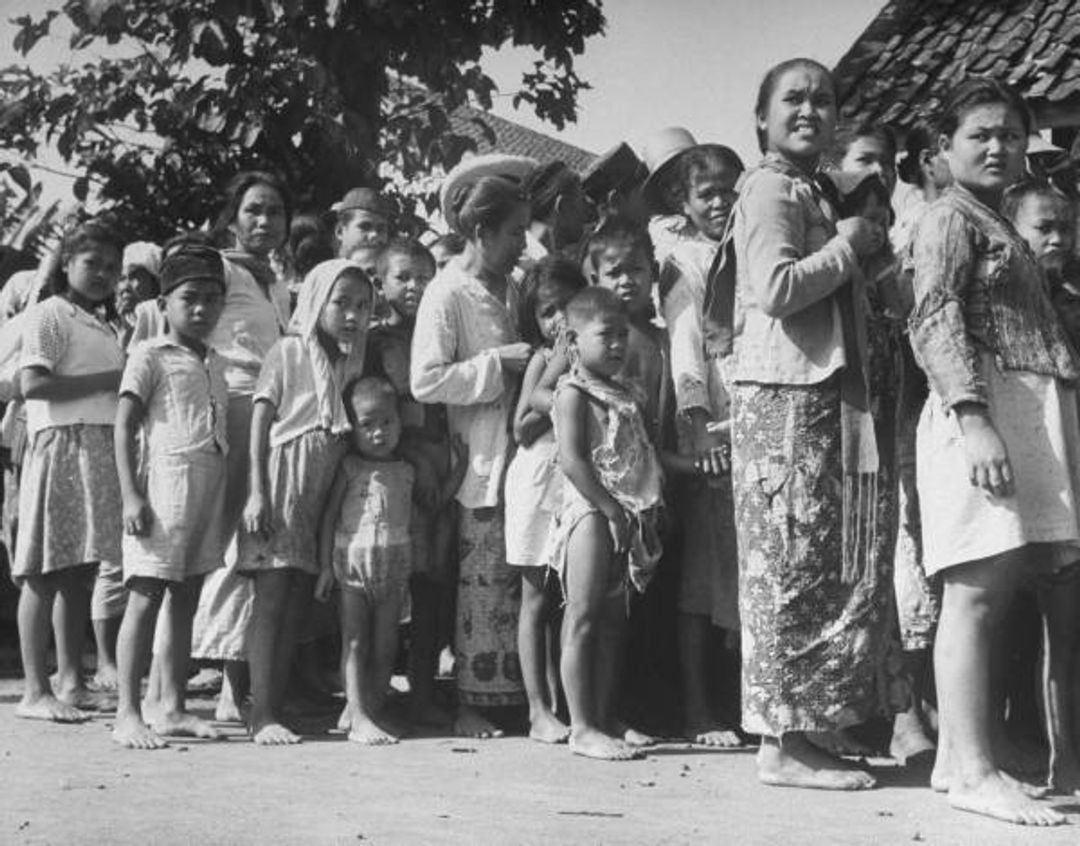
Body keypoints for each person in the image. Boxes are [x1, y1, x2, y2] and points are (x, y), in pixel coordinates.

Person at [909, 78, 1080, 826]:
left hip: (1021, 408)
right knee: (975, 589)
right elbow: (935, 318)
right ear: (942, 151)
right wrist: (974, 418)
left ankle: (956, 759)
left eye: (1009, 134)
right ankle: (975, 768)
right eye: (979, 133)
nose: (997, 145)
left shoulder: (994, 221)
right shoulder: (948, 218)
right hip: (979, 409)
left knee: (995, 583)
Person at [729, 58, 898, 791]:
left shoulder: (814, 189)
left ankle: (801, 734)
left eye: (823, 100)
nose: (810, 109)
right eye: (792, 98)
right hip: (785, 401)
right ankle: (783, 747)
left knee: (809, 568)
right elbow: (776, 289)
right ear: (761, 118)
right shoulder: (769, 187)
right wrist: (850, 244)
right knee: (788, 571)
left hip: (817, 399)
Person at [411, 155, 536, 738]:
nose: (522, 245)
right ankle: (469, 700)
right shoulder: (447, 292)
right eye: (514, 234)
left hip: (518, 454)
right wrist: (496, 364)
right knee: (478, 584)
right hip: (478, 457)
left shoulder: (506, 288)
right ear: (482, 232)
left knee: (510, 581)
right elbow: (426, 380)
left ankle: (509, 696)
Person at [238, 258, 372, 745]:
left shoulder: (346, 363)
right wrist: (257, 490)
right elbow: (261, 420)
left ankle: (274, 706)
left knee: (297, 601)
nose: (352, 315)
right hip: (282, 481)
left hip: (317, 488)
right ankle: (261, 712)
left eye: (362, 306)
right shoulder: (290, 351)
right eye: (341, 303)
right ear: (317, 301)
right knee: (272, 598)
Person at [111, 244, 229, 749]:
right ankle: (127, 713)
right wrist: (131, 495)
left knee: (186, 599)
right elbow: (123, 425)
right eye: (189, 298)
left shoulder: (216, 361)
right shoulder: (150, 355)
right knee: (145, 596)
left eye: (210, 298)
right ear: (164, 304)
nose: (200, 309)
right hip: (162, 491)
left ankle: (173, 706)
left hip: (205, 491)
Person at [13, 219, 126, 722]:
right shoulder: (51, 315)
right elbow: (32, 384)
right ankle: (35, 691)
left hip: (97, 446)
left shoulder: (101, 322)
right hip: (62, 443)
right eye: (91, 263)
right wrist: (111, 379)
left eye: (110, 266)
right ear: (66, 264)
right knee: (44, 571)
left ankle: (70, 681)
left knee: (80, 572)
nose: (102, 273)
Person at [547, 286, 664, 760]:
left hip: (626, 512)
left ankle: (604, 714)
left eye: (622, 335)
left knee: (615, 620)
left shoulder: (626, 391)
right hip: (592, 512)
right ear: (573, 341)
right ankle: (580, 726)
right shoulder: (572, 393)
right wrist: (611, 509)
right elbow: (574, 461)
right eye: (605, 336)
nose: (617, 345)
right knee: (583, 615)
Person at [315, 377, 465, 744]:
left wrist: (459, 474)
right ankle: (357, 711)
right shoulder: (349, 467)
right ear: (353, 429)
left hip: (394, 571)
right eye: (367, 425)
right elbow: (330, 517)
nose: (379, 433)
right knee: (354, 642)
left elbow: (433, 505)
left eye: (387, 422)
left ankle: (373, 708)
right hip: (352, 568)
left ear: (401, 423)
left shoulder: (408, 470)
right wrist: (323, 568)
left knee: (385, 645)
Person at [656, 142, 745, 747]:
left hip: (752, 415)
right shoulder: (683, 263)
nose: (719, 202)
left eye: (727, 190)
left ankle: (749, 704)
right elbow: (685, 344)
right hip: (710, 421)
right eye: (705, 193)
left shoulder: (744, 247)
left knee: (745, 573)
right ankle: (696, 705)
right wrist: (694, 421)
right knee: (701, 580)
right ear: (683, 204)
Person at [1002, 178, 1080, 794]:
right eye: (1042, 227)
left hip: (1071, 477)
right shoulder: (1003, 307)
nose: (1057, 238)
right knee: (1015, 624)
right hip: (1024, 480)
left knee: (1065, 626)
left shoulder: (1074, 301)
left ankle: (1066, 761)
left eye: (1066, 227)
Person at [365, 237, 455, 726]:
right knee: (384, 587)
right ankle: (370, 698)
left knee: (433, 585)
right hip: (396, 472)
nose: (416, 286)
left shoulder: (442, 334)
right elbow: (375, 414)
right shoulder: (379, 344)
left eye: (425, 276)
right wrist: (414, 463)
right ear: (380, 284)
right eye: (404, 277)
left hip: (444, 468)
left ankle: (423, 694)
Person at [505, 256, 587, 745]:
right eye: (546, 311)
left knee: (569, 599)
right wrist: (559, 373)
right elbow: (521, 427)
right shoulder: (543, 357)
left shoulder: (594, 351)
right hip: (538, 477)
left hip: (572, 480)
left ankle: (568, 706)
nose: (557, 320)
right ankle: (537, 709)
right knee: (536, 595)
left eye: (565, 308)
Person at [114, 242, 162, 350]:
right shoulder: (108, 328)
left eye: (133, 277)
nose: (124, 287)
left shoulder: (171, 328)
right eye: (121, 279)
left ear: (154, 283)